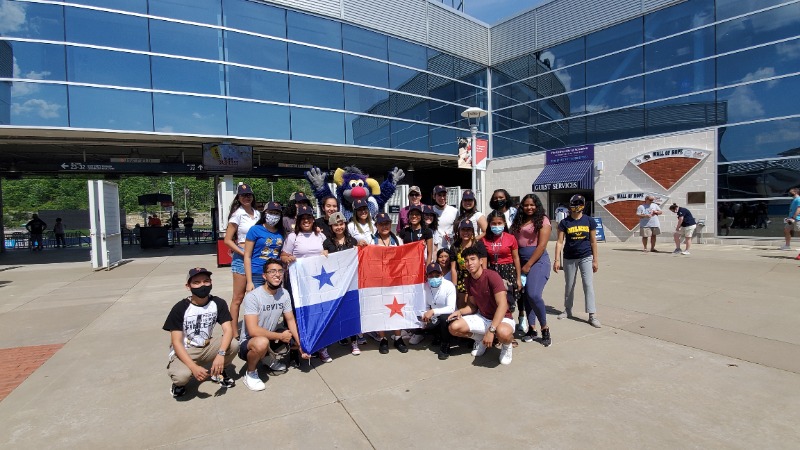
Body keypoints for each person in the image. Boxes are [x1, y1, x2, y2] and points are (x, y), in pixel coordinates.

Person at [163, 268, 239, 398]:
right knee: (182, 377)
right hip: (186, 350)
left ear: (211, 282)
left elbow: (228, 330)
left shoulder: (218, 303)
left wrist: (220, 354)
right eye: (196, 282)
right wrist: (193, 367)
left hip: (207, 345)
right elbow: (176, 342)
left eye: (206, 281)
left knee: (233, 344)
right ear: (188, 286)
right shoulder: (180, 308)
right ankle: (178, 385)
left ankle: (219, 372)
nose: (202, 285)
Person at [238, 259, 310, 391]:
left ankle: (267, 358)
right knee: (261, 343)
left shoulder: (284, 293)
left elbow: (290, 320)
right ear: (264, 276)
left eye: (280, 271)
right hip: (250, 342)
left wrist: (301, 344)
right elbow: (253, 330)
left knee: (293, 334)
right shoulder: (253, 297)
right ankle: (251, 373)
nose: (277, 274)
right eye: (272, 271)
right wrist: (280, 336)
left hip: (270, 335)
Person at [447, 246, 516, 365]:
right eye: (467, 261)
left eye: (473, 259)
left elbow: (503, 305)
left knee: (503, 333)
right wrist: (460, 312)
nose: (469, 263)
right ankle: (480, 340)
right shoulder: (468, 280)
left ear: (481, 261)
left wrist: (491, 330)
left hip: (502, 318)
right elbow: (473, 306)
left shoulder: (492, 276)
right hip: (483, 317)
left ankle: (507, 345)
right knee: (453, 327)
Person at [281, 204, 331, 362]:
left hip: (317, 282)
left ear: (313, 219)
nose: (306, 220)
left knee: (316, 312)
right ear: (298, 220)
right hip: (297, 283)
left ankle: (318, 345)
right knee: (297, 314)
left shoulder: (320, 236)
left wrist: (325, 252)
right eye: (303, 218)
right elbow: (283, 255)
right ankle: (296, 347)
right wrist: (287, 258)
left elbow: (328, 251)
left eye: (309, 217)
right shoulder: (292, 237)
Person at [511, 193, 552, 347]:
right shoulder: (518, 220)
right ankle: (531, 329)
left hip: (538, 262)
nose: (529, 207)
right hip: (520, 261)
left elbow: (541, 246)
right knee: (526, 296)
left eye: (532, 205)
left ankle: (545, 328)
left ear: (537, 206)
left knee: (533, 294)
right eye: (526, 205)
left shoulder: (543, 220)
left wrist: (527, 266)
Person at [554, 194, 601, 328]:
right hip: (569, 257)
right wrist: (557, 260)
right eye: (575, 202)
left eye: (580, 203)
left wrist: (595, 260)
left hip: (586, 256)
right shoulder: (565, 223)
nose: (577, 205)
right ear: (570, 205)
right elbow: (559, 242)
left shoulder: (589, 221)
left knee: (588, 284)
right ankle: (567, 310)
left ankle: (592, 315)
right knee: (569, 285)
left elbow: (593, 241)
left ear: (584, 205)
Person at [323, 211, 367, 354]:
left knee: (351, 311)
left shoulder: (352, 241)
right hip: (335, 282)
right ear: (331, 227)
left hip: (350, 282)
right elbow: (324, 261)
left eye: (341, 224)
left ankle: (354, 342)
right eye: (335, 225)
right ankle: (339, 336)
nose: (339, 227)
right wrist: (323, 254)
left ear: (345, 225)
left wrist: (361, 247)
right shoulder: (327, 242)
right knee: (337, 311)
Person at [224, 183, 261, 340]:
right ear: (238, 198)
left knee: (257, 296)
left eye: (249, 195)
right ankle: (233, 331)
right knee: (238, 298)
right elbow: (227, 240)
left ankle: (255, 327)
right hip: (241, 258)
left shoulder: (259, 214)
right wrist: (244, 252)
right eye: (243, 195)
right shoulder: (237, 215)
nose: (246, 197)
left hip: (257, 259)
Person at [480, 210, 522, 344]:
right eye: (493, 223)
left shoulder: (510, 238)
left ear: (504, 223)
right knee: (495, 303)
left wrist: (518, 277)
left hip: (508, 271)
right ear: (489, 224)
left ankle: (508, 334)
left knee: (508, 304)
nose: (497, 226)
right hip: (493, 271)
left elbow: (516, 258)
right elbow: (484, 261)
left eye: (499, 223)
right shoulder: (485, 240)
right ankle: (496, 332)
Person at [371, 212, 408, 354]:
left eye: (386, 223)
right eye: (381, 224)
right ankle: (383, 339)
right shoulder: (371, 241)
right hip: (378, 281)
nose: (384, 226)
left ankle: (398, 338)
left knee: (396, 308)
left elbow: (404, 258)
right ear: (376, 226)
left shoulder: (397, 240)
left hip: (395, 281)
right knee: (380, 309)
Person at [413, 262, 456, 360]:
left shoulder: (449, 286)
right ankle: (436, 335)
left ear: (442, 274)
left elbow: (451, 308)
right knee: (421, 316)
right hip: (435, 316)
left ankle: (445, 345)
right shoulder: (425, 287)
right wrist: (426, 314)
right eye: (431, 275)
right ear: (427, 276)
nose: (434, 278)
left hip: (449, 316)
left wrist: (432, 311)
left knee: (444, 317)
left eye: (437, 275)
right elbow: (426, 305)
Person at [244, 202, 285, 292]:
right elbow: (247, 256)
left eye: (277, 213)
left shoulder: (281, 232)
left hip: (275, 273)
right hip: (257, 273)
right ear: (265, 213)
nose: (274, 216)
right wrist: (249, 281)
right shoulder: (255, 230)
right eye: (271, 212)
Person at [450, 219, 487, 309]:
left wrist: (483, 282)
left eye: (468, 230)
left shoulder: (479, 245)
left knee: (478, 305)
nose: (466, 232)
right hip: (462, 279)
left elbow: (484, 266)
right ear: (459, 231)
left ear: (472, 231)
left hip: (477, 277)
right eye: (463, 230)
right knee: (462, 305)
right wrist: (455, 287)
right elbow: (453, 268)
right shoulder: (455, 246)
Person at [432, 185, 458, 249]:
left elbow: (458, 230)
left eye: (444, 195)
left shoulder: (454, 211)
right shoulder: (430, 211)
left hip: (449, 249)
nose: (442, 198)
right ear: (434, 196)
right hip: (434, 249)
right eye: (439, 195)